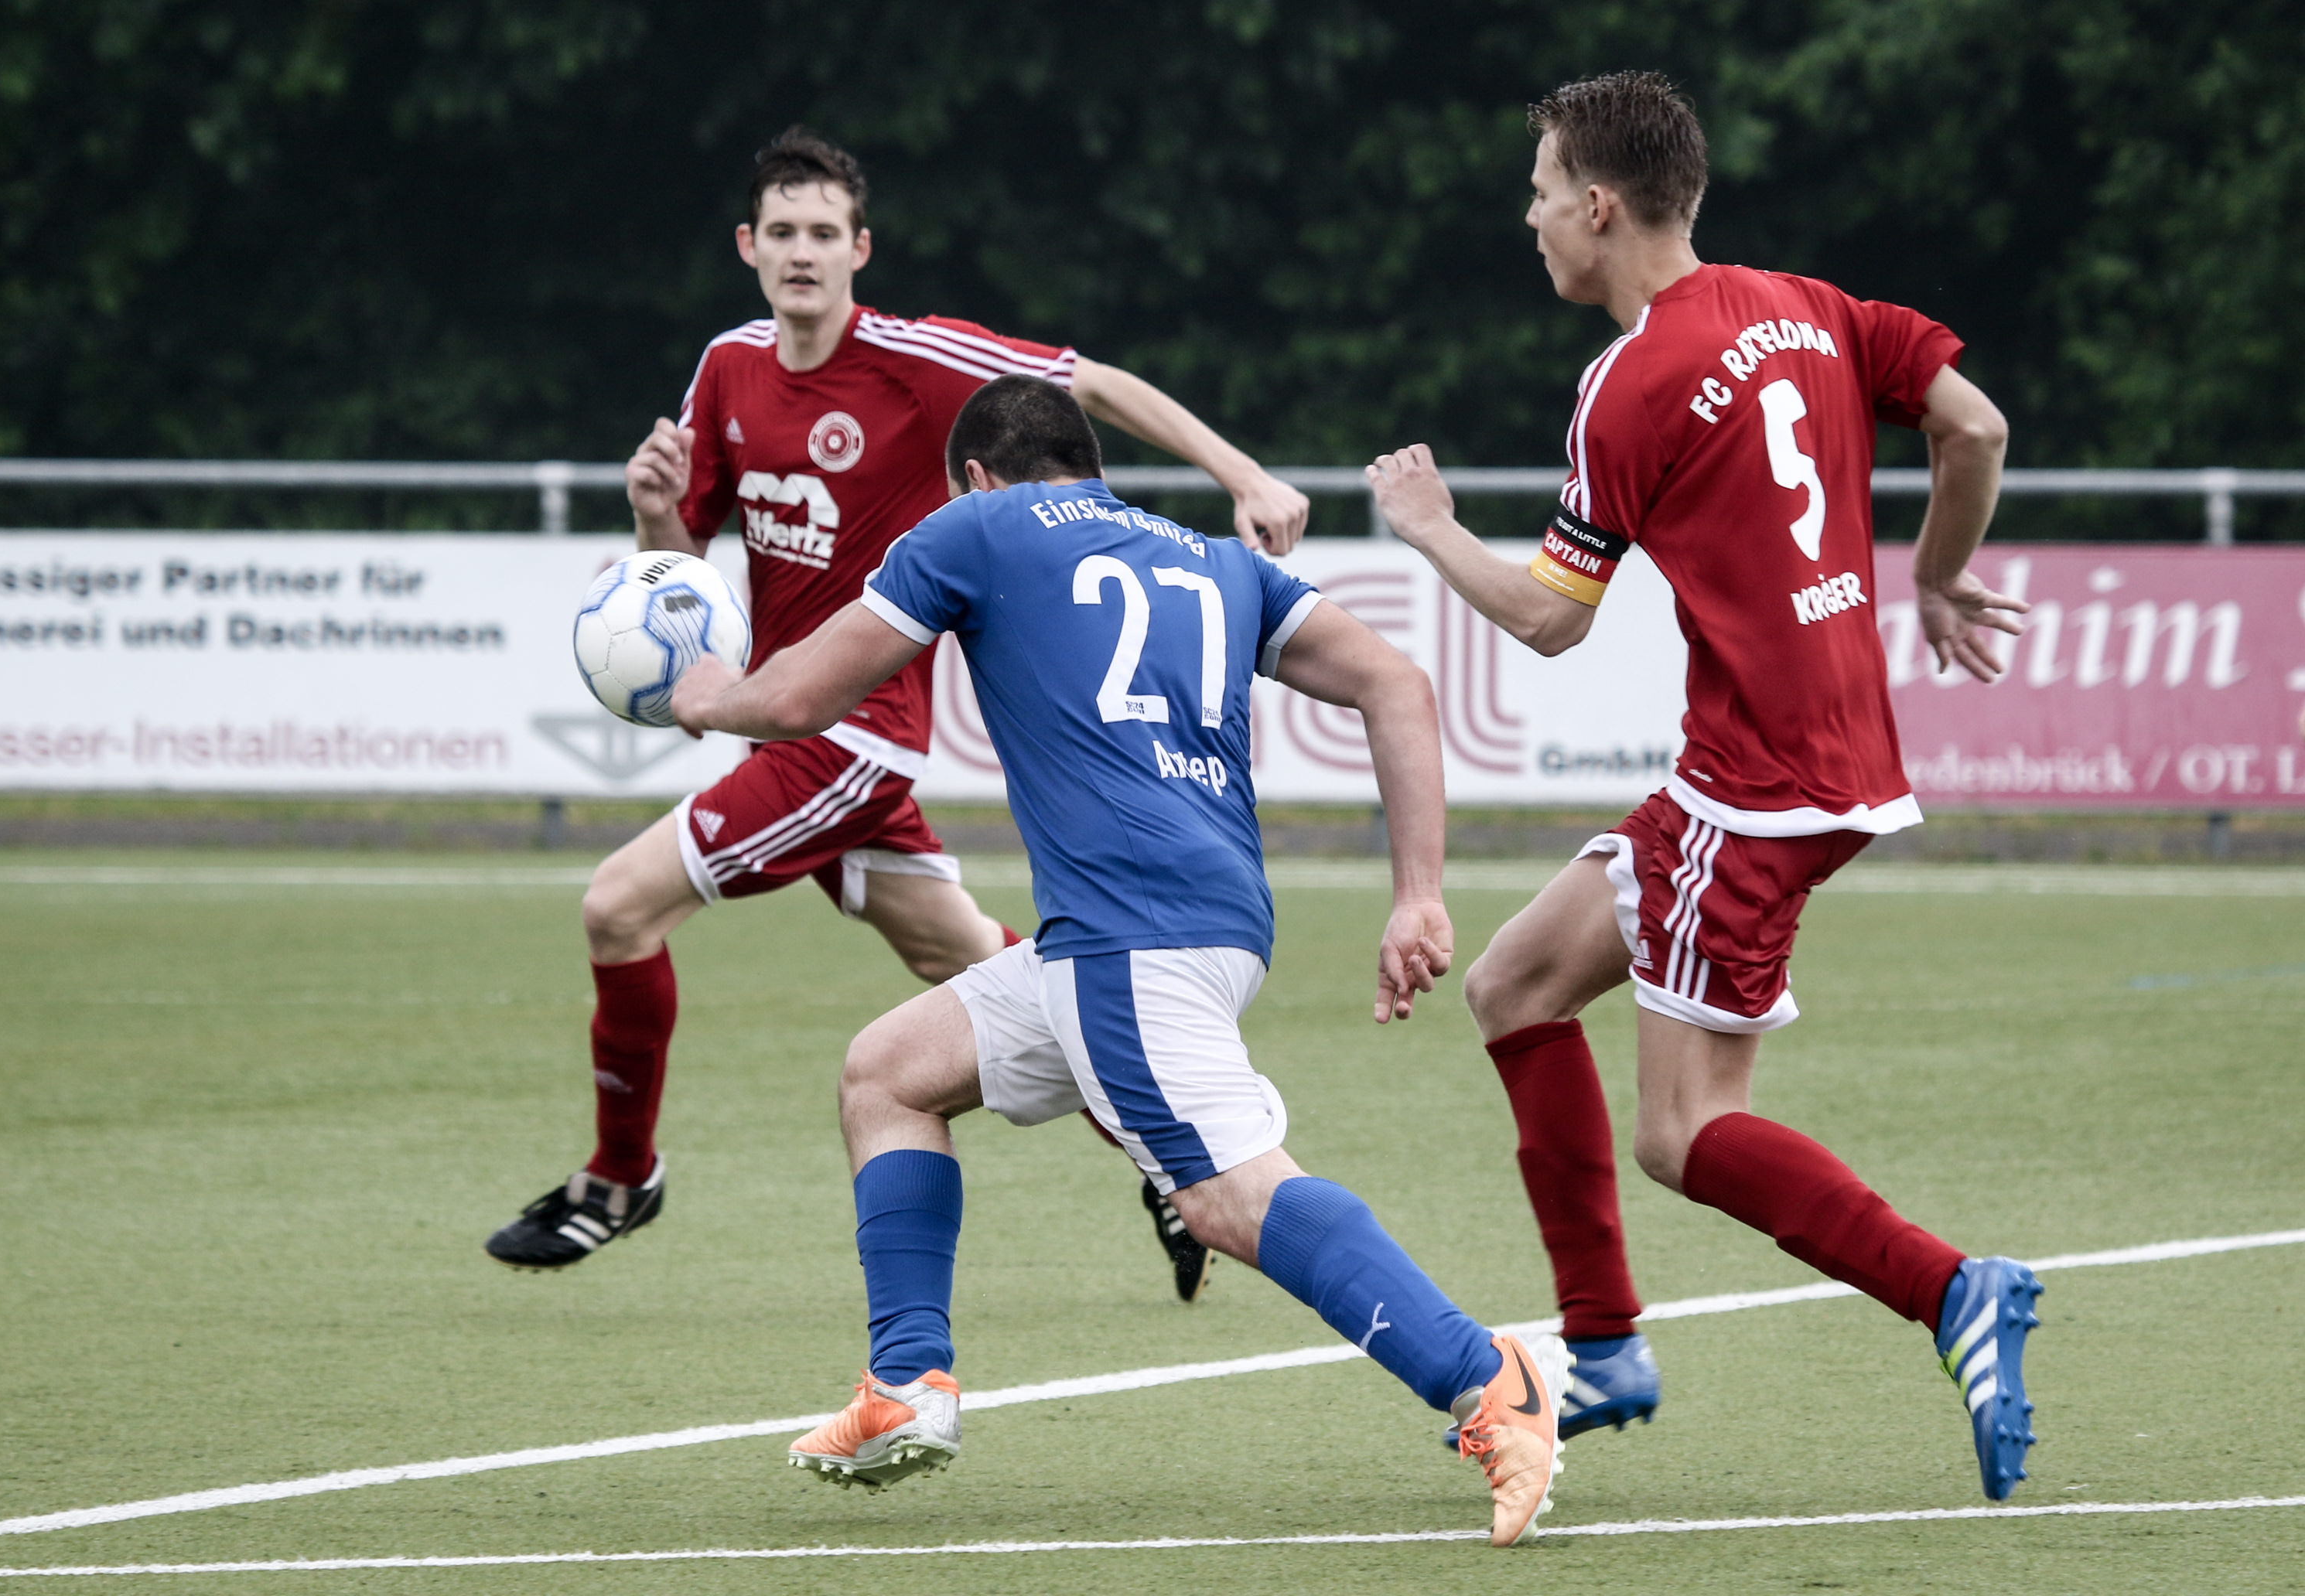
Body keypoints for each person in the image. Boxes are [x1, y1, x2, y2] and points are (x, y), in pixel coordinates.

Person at [670, 374, 1572, 1547]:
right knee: (887, 1073)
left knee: (1226, 1199)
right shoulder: (1216, 561)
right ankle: (906, 1384)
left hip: (1127, 936)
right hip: (1203, 920)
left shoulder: (975, 528)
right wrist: (1418, 894)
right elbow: (1394, 683)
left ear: (977, 478)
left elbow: (797, 698)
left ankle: (1485, 1377)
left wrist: (709, 696)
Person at [1367, 72, 2044, 1502]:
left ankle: (1952, 1290)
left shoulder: (1630, 381)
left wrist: (1427, 528)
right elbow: (1975, 428)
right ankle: (1606, 1345)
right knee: (1513, 986)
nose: (1531, 218)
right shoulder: (1808, 304)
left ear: (1599, 206)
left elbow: (1551, 620)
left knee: (1686, 1135)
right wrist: (1933, 577)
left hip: (1758, 791)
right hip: (1811, 761)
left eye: (1541, 192)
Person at [485, 129, 1309, 1301]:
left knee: (616, 906)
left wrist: (1242, 473)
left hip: (855, 736)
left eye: (824, 233)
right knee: (992, 970)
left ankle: (620, 1180)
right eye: (783, 232)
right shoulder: (726, 369)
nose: (803, 252)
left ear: (859, 249)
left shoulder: (916, 359)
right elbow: (684, 579)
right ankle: (1176, 1166)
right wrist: (654, 513)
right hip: (797, 728)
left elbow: (1092, 386)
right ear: (748, 246)